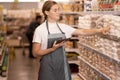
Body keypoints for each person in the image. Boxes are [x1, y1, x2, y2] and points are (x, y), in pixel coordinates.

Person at [32, 1, 110, 80]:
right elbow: (35, 53)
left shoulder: (63, 27)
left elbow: (83, 32)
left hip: (62, 66)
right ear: (47, 12)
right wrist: (52, 49)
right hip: (47, 68)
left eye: (59, 9)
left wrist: (100, 30)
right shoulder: (40, 30)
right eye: (55, 10)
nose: (58, 12)